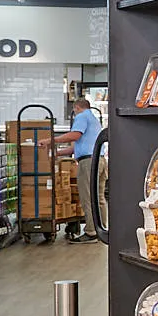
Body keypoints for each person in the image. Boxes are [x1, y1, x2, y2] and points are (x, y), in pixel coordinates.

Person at [55, 97, 102, 242]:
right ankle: (102, 230)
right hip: (100, 160)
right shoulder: (94, 120)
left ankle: (91, 232)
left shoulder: (81, 116)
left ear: (76, 108)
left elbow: (75, 135)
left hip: (88, 162)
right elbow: (76, 146)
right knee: (99, 197)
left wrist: (53, 139)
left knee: (87, 197)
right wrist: (57, 153)